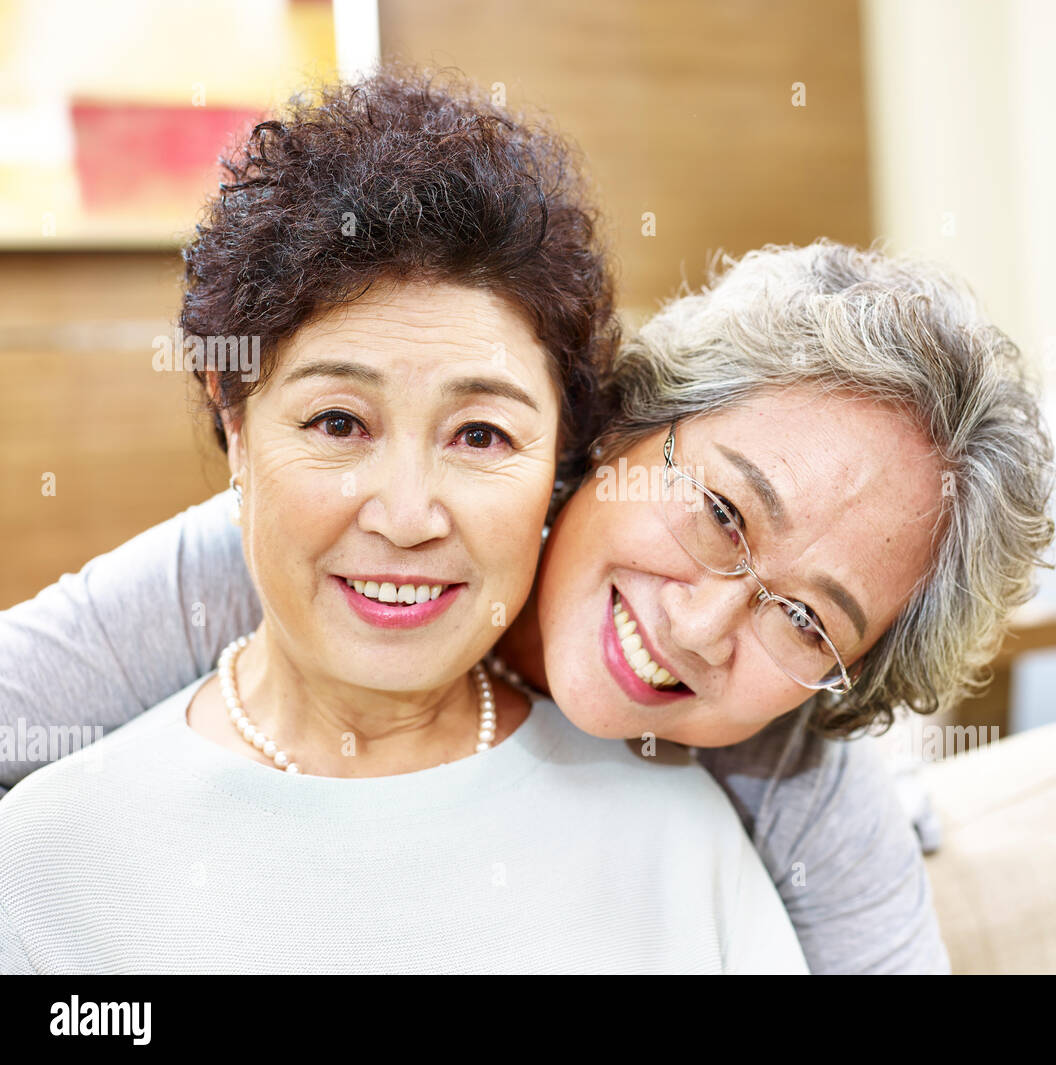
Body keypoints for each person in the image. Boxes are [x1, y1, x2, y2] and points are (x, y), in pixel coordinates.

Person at [0, 69, 809, 975]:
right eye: (339, 423)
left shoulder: (678, 841)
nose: (408, 515)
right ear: (236, 427)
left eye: (480, 433)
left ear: (560, 469)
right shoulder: (46, 866)